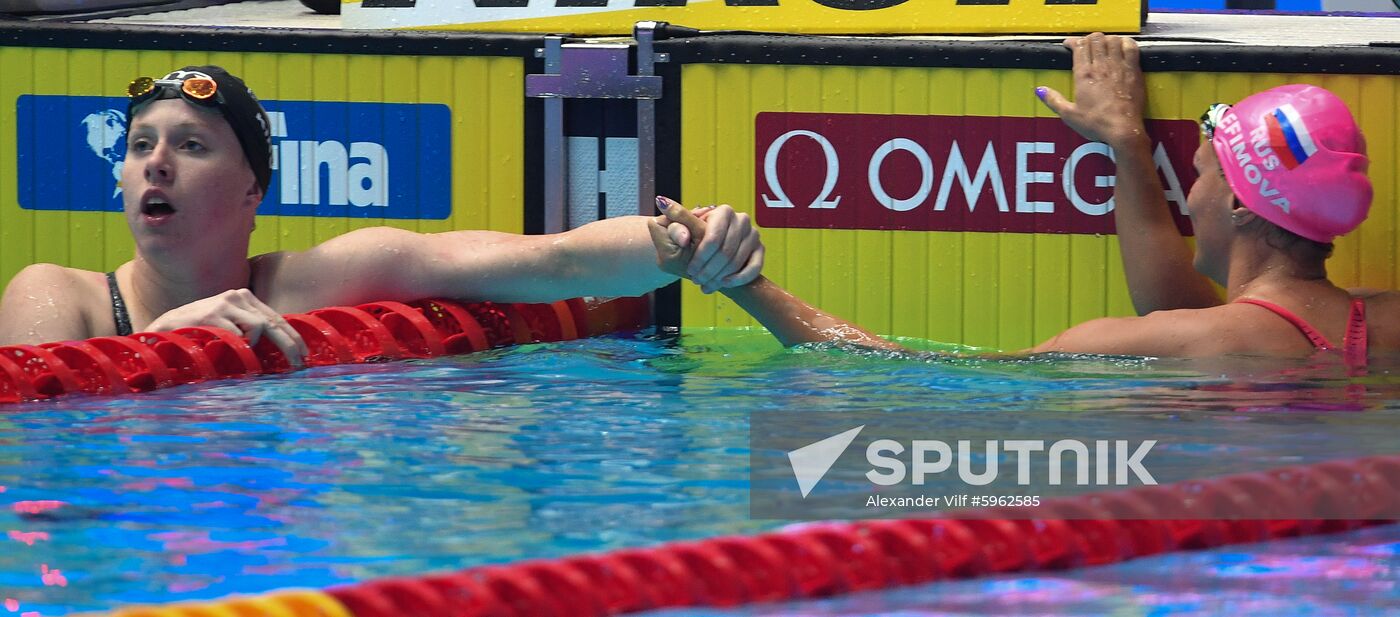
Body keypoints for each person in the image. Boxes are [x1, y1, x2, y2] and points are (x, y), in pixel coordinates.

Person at [651, 34, 1398, 364]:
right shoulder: (1381, 327)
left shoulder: (1157, 346)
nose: (1190, 191)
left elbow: (895, 376)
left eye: (1199, 174)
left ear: (1240, 204)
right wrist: (1128, 149)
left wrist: (742, 284)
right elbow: (1198, 313)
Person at [0, 67, 764, 366]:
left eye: (190, 145)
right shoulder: (56, 297)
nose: (155, 164)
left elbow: (556, 261)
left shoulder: (319, 280)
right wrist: (168, 342)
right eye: (139, 146)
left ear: (251, 191)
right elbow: (42, 455)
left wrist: (685, 240)